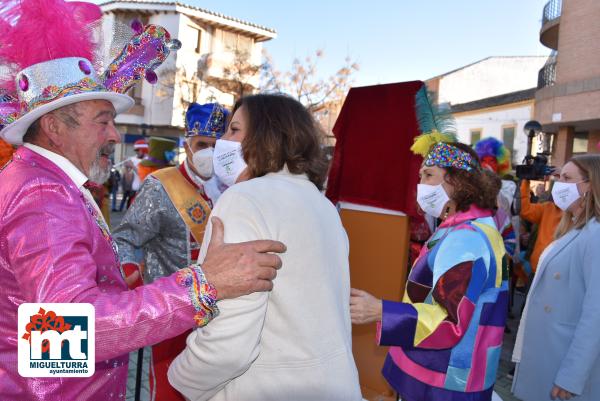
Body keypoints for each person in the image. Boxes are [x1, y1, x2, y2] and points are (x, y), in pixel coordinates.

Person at [0, 2, 284, 399]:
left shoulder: (43, 181)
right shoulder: (43, 195)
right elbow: (65, 329)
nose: (115, 136)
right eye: (104, 121)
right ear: (52, 126)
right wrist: (204, 285)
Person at [168, 94, 362, 401]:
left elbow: (230, 340)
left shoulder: (244, 199)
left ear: (265, 135)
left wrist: (182, 376)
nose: (223, 140)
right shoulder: (322, 205)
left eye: (233, 130)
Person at [350, 140, 508, 401]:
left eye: (429, 174)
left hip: (444, 380)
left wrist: (380, 310)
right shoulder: (468, 226)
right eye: (420, 175)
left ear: (456, 181)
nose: (421, 183)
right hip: (454, 370)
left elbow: (450, 320)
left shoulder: (466, 239)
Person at [112, 102, 229, 400]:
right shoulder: (161, 186)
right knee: (169, 391)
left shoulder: (232, 187)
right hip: (174, 311)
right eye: (203, 144)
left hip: (223, 312)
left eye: (217, 145)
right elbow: (124, 238)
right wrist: (130, 273)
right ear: (188, 144)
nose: (210, 152)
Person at [512, 154, 600, 401]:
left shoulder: (596, 234)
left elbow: (596, 315)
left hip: (563, 359)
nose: (559, 184)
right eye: (558, 177)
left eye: (567, 178)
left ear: (590, 186)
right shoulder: (575, 226)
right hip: (549, 349)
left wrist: (572, 375)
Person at [519, 178, 563, 273]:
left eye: (567, 178)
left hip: (559, 273)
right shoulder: (548, 207)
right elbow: (525, 210)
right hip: (537, 268)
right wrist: (526, 182)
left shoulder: (581, 214)